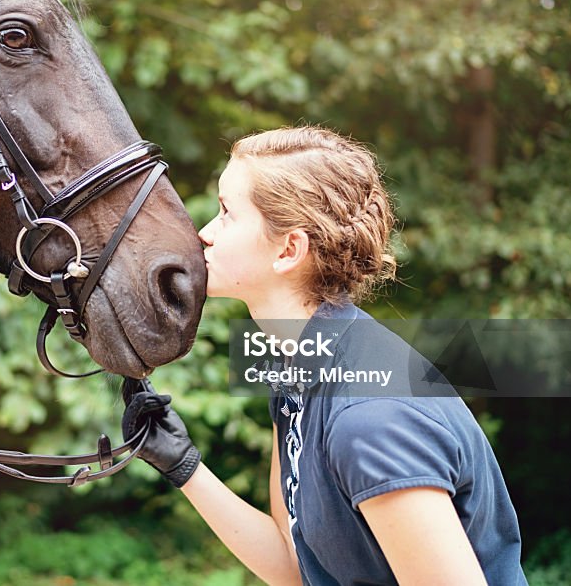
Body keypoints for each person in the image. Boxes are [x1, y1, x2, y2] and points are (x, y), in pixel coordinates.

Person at [121, 126, 527, 585]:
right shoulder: (297, 369)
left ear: (289, 250)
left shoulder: (370, 420)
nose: (205, 234)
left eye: (227, 213)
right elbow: (298, 566)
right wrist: (183, 465)